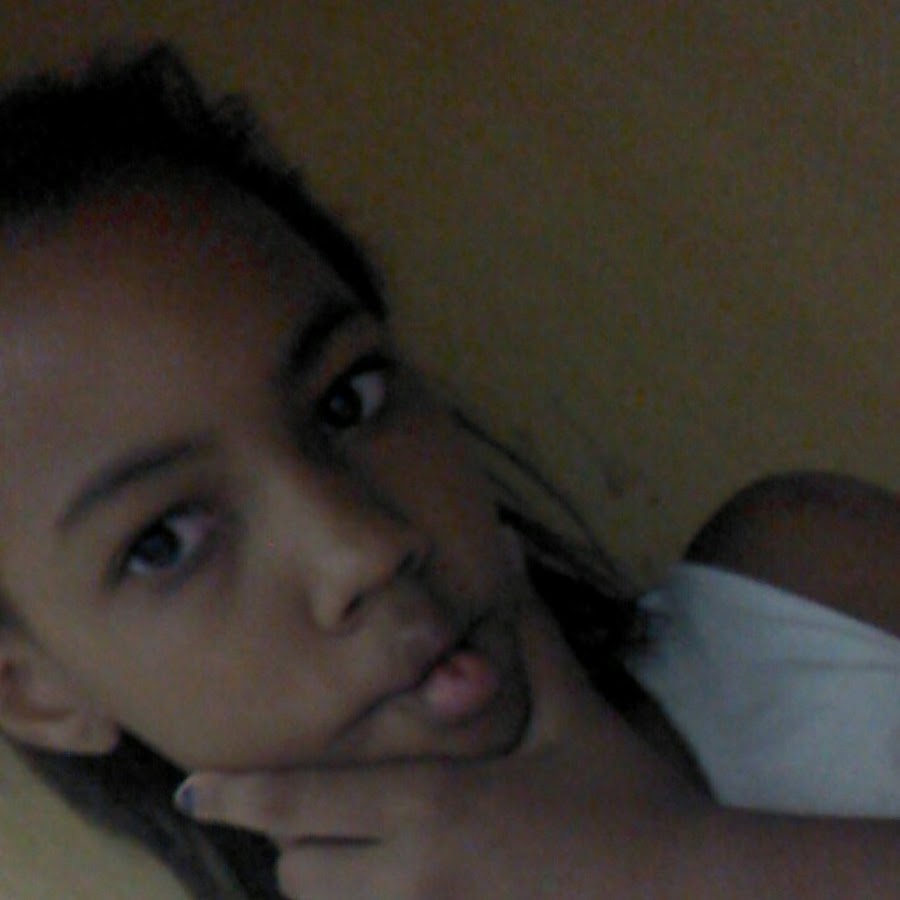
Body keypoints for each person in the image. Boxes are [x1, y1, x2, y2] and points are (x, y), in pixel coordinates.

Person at [0, 44, 896, 900]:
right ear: (33, 690)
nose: (364, 548)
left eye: (347, 400)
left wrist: (684, 868)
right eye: (164, 542)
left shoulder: (807, 593)